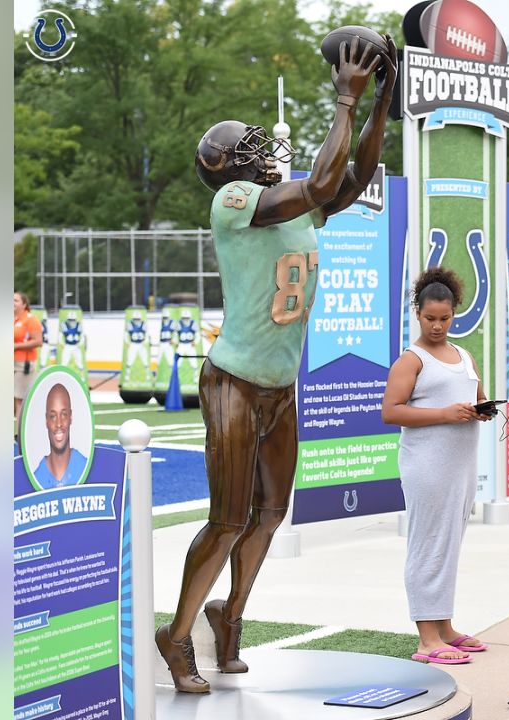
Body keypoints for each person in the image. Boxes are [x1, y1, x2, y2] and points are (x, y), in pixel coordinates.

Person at [156, 31, 397, 694]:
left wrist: (382, 99)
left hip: (280, 387)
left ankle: (228, 616)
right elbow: (322, 180)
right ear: (226, 166)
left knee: (270, 513)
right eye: (251, 149)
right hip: (232, 380)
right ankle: (175, 636)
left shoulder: (297, 211)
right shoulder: (232, 204)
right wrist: (344, 98)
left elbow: (354, 177)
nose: (265, 155)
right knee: (229, 516)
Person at [381, 268, 492, 665]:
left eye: (445, 318)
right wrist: (445, 413)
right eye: (430, 318)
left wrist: (481, 410)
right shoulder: (411, 360)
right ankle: (427, 639)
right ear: (418, 314)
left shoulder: (463, 354)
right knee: (428, 545)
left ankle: (444, 627)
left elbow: (474, 396)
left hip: (460, 465)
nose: (438, 325)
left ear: (454, 312)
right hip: (427, 466)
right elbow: (390, 412)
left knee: (448, 545)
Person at [31, 383, 88, 489]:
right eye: (53, 416)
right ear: (46, 420)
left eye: (64, 415)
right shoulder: (36, 477)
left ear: (70, 417)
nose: (59, 424)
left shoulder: (85, 467)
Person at [14, 292, 43, 427]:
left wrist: (16, 346)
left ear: (24, 304)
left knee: (20, 399)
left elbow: (38, 341)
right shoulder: (13, 320)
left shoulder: (30, 319)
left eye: (16, 300)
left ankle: (19, 434)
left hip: (23, 364)